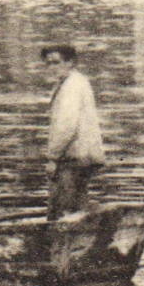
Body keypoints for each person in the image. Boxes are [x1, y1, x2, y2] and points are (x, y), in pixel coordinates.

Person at [42, 44, 105, 220]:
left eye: (57, 62)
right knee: (78, 206)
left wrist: (53, 158)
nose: (52, 68)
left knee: (62, 210)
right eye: (48, 63)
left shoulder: (71, 86)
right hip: (83, 155)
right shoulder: (76, 82)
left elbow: (66, 125)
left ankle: (63, 245)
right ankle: (84, 242)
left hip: (72, 157)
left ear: (70, 62)